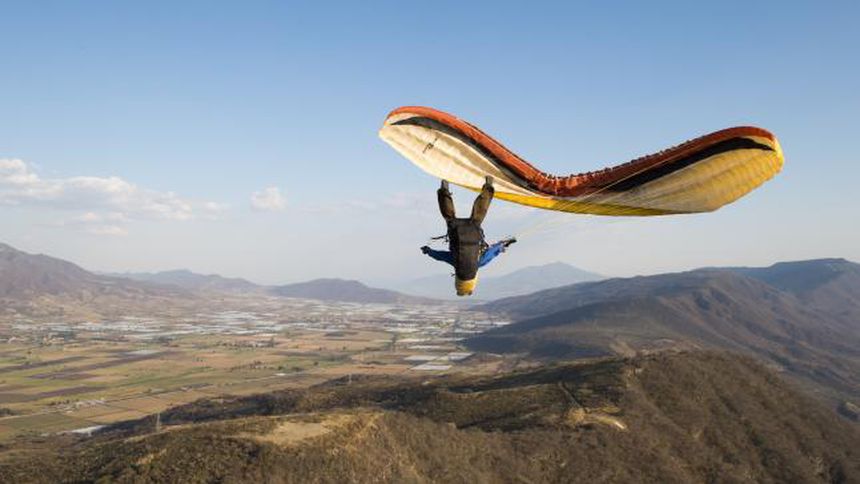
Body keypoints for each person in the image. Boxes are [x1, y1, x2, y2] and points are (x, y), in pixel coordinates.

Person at [420, 176, 516, 296]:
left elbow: (491, 253)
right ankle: (444, 189)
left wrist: (501, 246)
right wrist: (428, 251)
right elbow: (440, 256)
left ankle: (488, 186)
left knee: (480, 212)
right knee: (449, 216)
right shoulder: (456, 262)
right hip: (456, 229)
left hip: (473, 229)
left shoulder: (479, 263)